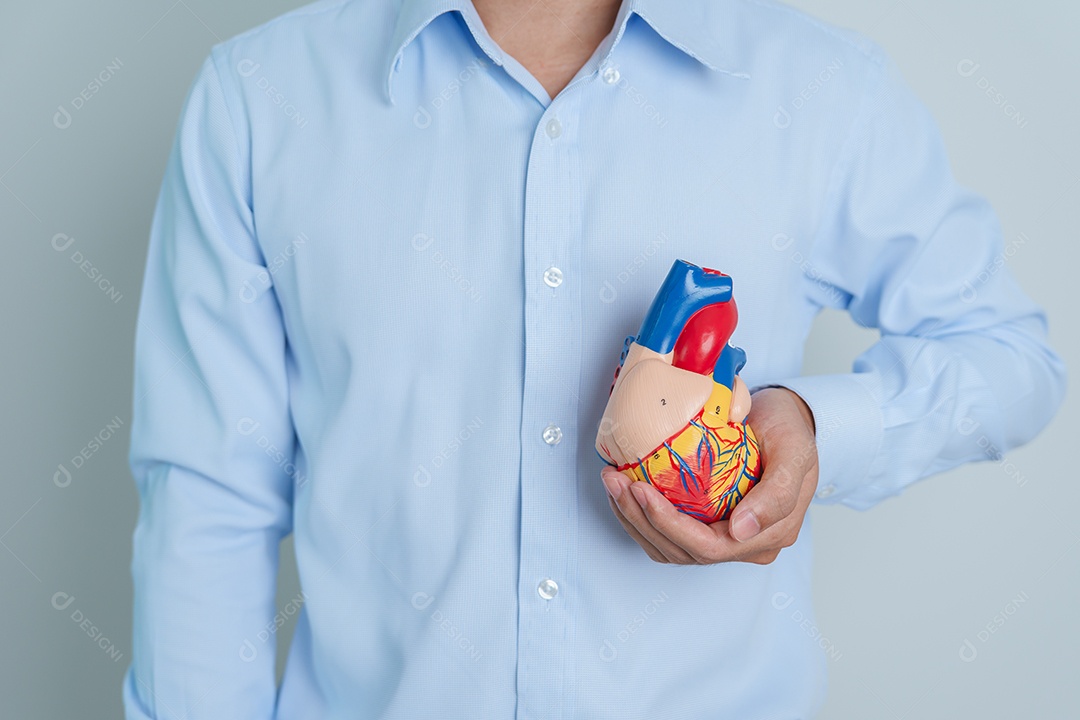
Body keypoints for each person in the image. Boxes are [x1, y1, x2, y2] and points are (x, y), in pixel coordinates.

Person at [122, 0, 1066, 717]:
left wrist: (818, 432)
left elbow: (1007, 355)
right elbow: (209, 501)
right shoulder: (259, 100)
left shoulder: (819, 89)